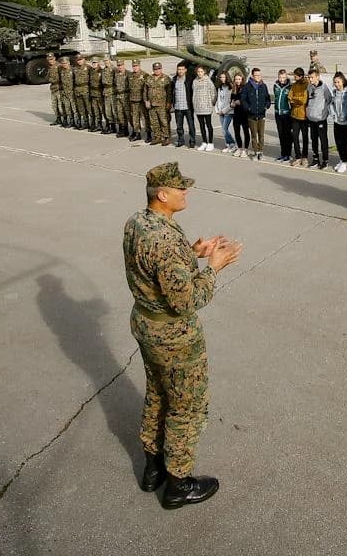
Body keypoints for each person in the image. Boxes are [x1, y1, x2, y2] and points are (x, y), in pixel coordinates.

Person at [123, 162, 242, 509]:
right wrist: (213, 268)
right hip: (172, 335)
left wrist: (191, 252)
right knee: (187, 406)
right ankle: (178, 482)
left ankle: (153, 469)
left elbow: (152, 262)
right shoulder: (163, 238)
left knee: (158, 393)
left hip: (145, 324)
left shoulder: (138, 222)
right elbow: (187, 299)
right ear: (163, 195)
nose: (186, 192)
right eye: (180, 189)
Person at [240, 68, 271, 161]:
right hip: (251, 116)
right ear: (252, 76)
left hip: (261, 115)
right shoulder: (247, 86)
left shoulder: (263, 86)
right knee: (254, 135)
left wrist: (266, 106)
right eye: (256, 75)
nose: (258, 77)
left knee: (261, 135)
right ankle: (255, 152)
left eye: (259, 75)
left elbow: (268, 99)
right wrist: (248, 108)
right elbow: (243, 100)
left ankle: (261, 152)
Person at [305, 69, 330, 169]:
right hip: (311, 119)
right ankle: (315, 159)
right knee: (313, 139)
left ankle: (325, 160)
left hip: (320, 119)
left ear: (318, 77)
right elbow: (308, 100)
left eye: (312, 77)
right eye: (309, 77)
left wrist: (323, 112)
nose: (310, 80)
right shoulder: (309, 87)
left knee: (323, 140)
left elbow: (329, 100)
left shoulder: (324, 88)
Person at [328, 72, 347, 173]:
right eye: (335, 82)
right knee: (338, 142)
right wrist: (333, 114)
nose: (337, 84)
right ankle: (341, 159)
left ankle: (344, 162)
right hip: (337, 121)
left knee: (344, 143)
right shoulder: (334, 92)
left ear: (343, 81)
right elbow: (331, 104)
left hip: (346, 122)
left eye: (338, 82)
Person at [145, 62, 172, 146]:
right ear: (153, 70)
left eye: (159, 69)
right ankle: (157, 137)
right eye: (155, 69)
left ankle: (166, 137)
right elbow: (145, 90)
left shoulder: (166, 78)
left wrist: (169, 102)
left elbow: (169, 92)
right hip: (152, 105)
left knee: (164, 122)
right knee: (154, 122)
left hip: (162, 105)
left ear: (161, 69)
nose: (157, 70)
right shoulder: (149, 78)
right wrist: (146, 100)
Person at [172, 63, 197, 149]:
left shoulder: (190, 79)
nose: (180, 71)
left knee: (191, 125)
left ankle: (192, 141)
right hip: (178, 107)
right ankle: (181, 141)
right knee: (179, 126)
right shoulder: (174, 79)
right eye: (179, 69)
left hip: (188, 107)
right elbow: (172, 92)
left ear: (185, 70)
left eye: (182, 69)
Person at [288, 67, 310, 166]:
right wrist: (295, 100)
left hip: (304, 116)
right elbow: (289, 97)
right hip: (294, 116)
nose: (294, 77)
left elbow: (303, 100)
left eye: (296, 76)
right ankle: (297, 156)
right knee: (295, 136)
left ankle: (304, 157)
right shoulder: (294, 85)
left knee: (305, 137)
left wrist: (295, 99)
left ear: (300, 76)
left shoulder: (306, 85)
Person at [192, 65, 216, 151]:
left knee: (208, 125)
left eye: (201, 71)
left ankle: (210, 142)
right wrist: (194, 103)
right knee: (201, 126)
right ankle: (204, 142)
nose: (199, 73)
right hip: (198, 107)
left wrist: (212, 103)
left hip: (206, 106)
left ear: (204, 72)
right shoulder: (195, 81)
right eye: (198, 72)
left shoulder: (208, 81)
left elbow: (213, 92)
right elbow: (193, 93)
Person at [272, 69, 293, 162]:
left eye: (284, 77)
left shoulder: (290, 87)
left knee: (287, 134)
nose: (282, 79)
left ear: (286, 77)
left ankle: (288, 154)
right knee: (281, 134)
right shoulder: (275, 86)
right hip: (278, 114)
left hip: (287, 114)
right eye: (280, 77)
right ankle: (283, 153)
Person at [230, 69, 251, 156]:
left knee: (246, 131)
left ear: (242, 79)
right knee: (237, 131)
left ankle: (245, 149)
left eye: (239, 79)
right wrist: (231, 103)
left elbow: (249, 100)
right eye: (236, 79)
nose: (237, 81)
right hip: (236, 113)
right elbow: (231, 100)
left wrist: (240, 102)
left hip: (244, 113)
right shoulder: (234, 89)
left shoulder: (246, 88)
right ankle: (239, 147)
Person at [215, 73, 236, 152]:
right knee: (224, 130)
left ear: (227, 77)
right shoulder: (220, 87)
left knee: (224, 129)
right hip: (221, 111)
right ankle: (228, 144)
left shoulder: (231, 87)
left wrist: (223, 111)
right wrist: (217, 110)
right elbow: (219, 99)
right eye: (221, 77)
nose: (222, 78)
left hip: (228, 112)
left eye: (224, 77)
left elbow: (231, 103)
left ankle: (233, 143)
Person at [127, 60, 147, 142]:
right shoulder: (130, 75)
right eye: (134, 66)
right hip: (133, 100)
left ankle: (148, 133)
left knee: (145, 118)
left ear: (139, 65)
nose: (135, 67)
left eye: (136, 66)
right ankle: (137, 133)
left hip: (142, 100)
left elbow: (147, 88)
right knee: (135, 118)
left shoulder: (145, 75)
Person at [112, 59, 131, 137]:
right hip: (118, 97)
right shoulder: (116, 74)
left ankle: (135, 131)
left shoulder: (128, 74)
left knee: (128, 114)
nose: (120, 67)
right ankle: (124, 130)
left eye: (121, 65)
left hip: (126, 97)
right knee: (120, 114)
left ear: (124, 65)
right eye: (118, 65)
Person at [74, 55, 91, 131]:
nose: (79, 61)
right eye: (78, 60)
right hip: (78, 90)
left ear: (84, 59)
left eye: (80, 59)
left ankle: (93, 123)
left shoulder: (88, 67)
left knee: (89, 107)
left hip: (86, 89)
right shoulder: (75, 68)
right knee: (81, 108)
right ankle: (85, 122)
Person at [101, 58, 117, 134]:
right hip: (106, 92)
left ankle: (118, 127)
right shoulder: (103, 70)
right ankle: (111, 127)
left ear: (110, 61)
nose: (106, 62)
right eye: (104, 61)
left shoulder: (114, 69)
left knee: (114, 110)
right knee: (108, 111)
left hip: (112, 92)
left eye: (107, 60)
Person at [58, 56, 75, 128]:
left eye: (66, 63)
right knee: (67, 108)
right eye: (63, 63)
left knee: (74, 108)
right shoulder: (61, 70)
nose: (64, 65)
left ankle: (76, 121)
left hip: (72, 92)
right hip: (65, 92)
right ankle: (71, 121)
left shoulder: (73, 70)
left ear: (69, 63)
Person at [46, 52, 61, 125]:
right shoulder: (49, 67)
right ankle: (58, 119)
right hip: (53, 88)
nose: (50, 61)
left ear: (54, 58)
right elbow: (47, 77)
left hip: (59, 88)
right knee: (54, 105)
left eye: (51, 59)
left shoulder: (59, 66)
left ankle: (64, 119)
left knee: (61, 106)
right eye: (49, 60)